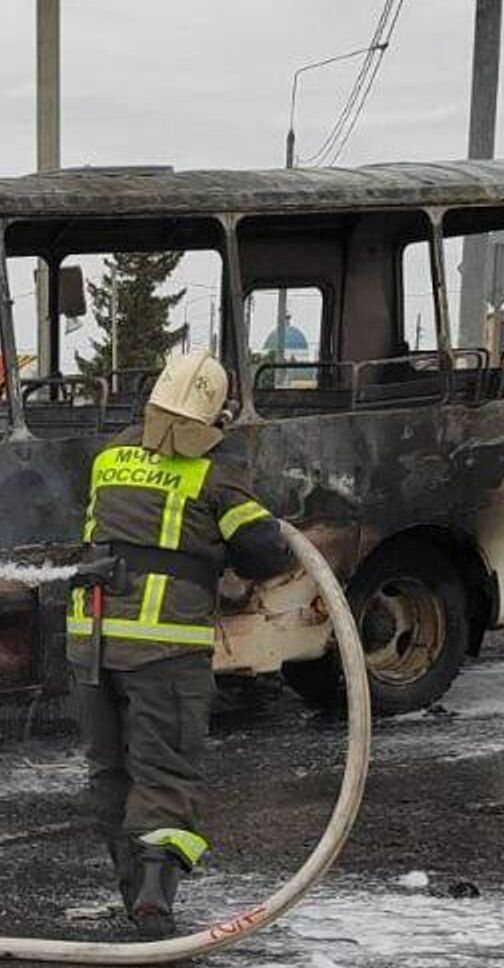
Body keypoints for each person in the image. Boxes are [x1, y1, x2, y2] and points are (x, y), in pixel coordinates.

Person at [67, 351, 294, 937]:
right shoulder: (216, 474)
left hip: (91, 642)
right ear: (215, 415)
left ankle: (130, 887)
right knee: (164, 770)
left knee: (109, 768)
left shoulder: (110, 456)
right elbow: (267, 554)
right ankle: (152, 900)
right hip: (163, 650)